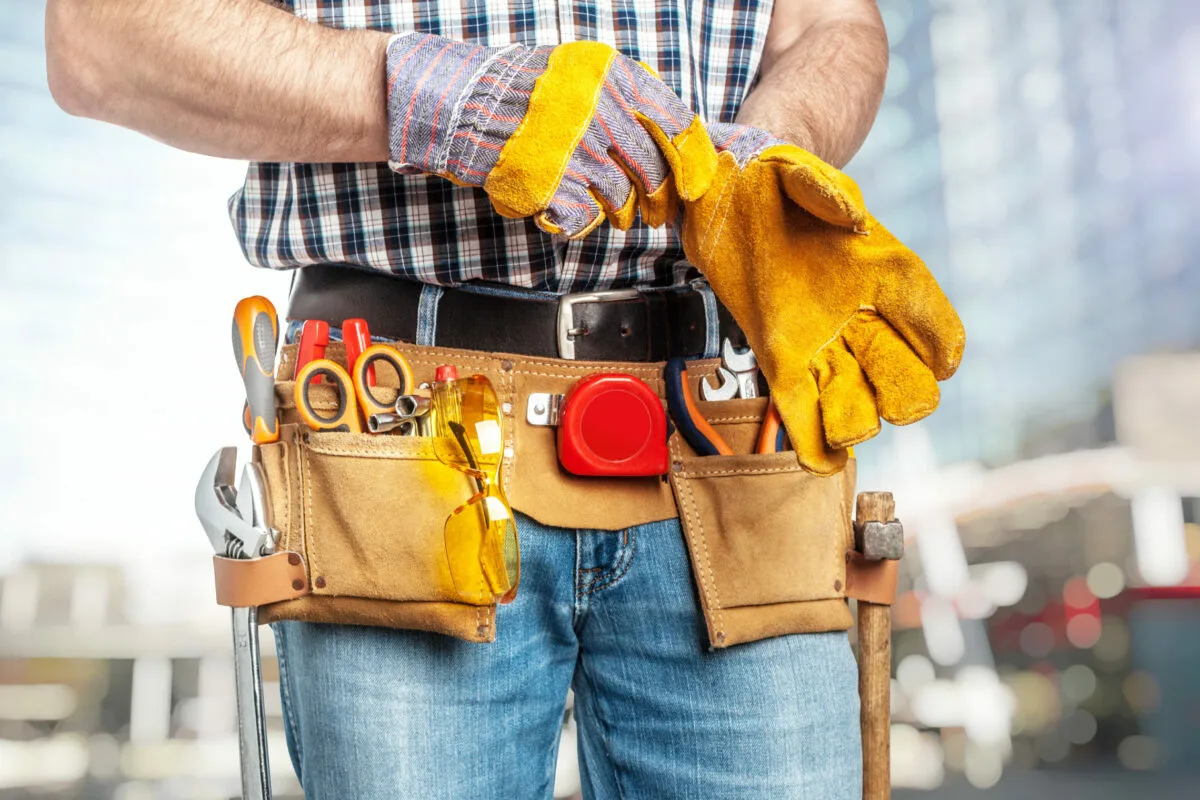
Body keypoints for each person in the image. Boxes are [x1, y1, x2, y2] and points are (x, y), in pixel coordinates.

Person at [46, 1, 891, 796]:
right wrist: (432, 95)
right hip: (399, 437)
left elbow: (832, 27)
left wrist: (768, 154)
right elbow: (97, 36)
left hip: (732, 433)